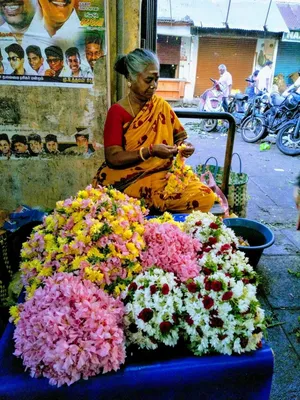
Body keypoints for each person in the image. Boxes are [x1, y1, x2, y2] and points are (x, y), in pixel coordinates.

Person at [92, 48, 215, 214]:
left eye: (156, 79)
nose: (154, 86)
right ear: (130, 78)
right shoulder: (117, 112)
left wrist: (184, 146)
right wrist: (150, 151)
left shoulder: (161, 105)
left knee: (205, 196)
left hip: (163, 175)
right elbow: (113, 158)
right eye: (148, 80)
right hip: (128, 180)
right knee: (120, 207)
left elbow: (178, 138)